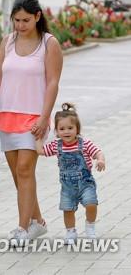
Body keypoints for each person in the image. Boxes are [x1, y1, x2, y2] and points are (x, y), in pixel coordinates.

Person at [0, 0, 63, 245]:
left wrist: (44, 117)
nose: (20, 25)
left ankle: (22, 228)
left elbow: (52, 83)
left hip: (34, 117)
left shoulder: (50, 44)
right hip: (7, 115)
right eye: (16, 20)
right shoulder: (8, 41)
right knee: (18, 174)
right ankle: (38, 222)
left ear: (37, 17)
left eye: (25, 20)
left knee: (26, 169)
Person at [35, 103, 105, 244]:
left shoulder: (84, 143)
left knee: (91, 204)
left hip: (85, 183)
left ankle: (90, 227)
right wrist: (39, 138)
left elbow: (97, 151)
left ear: (77, 129)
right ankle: (70, 231)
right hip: (67, 186)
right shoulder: (56, 145)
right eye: (62, 129)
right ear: (57, 131)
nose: (66, 131)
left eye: (70, 128)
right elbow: (41, 151)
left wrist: (100, 160)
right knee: (68, 210)